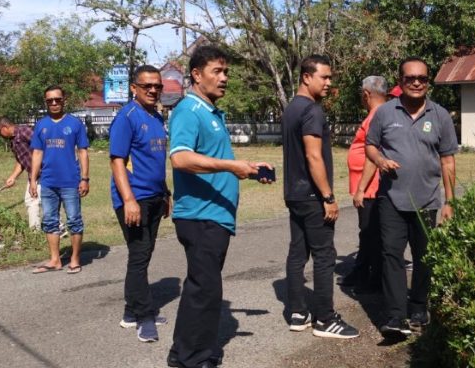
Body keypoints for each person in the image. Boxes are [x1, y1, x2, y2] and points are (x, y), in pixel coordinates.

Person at [167, 45, 273, 368]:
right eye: (217, 71)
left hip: (214, 215)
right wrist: (230, 166)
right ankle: (194, 357)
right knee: (205, 288)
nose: (224, 78)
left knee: (202, 286)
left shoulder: (211, 112)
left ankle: (183, 352)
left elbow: (215, 160)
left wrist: (248, 168)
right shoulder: (189, 109)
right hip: (200, 215)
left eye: (226, 71)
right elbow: (180, 158)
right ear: (196, 75)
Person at [366, 57, 457, 337]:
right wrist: (380, 161)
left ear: (428, 82)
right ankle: (395, 316)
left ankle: (418, 306)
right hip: (391, 199)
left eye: (422, 78)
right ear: (400, 81)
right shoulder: (385, 113)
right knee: (391, 256)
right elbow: (370, 146)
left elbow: (447, 160)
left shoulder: (440, 115)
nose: (416, 83)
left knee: (424, 257)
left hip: (426, 201)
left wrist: (450, 201)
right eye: (410, 78)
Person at [282, 54, 359, 339]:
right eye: (324, 77)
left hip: (294, 194)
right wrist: (328, 197)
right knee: (325, 255)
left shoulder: (291, 108)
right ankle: (325, 319)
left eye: (330, 77)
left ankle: (298, 312)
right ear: (306, 77)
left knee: (298, 252)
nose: (328, 83)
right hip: (312, 196)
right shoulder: (311, 110)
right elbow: (313, 157)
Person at [109, 65, 172, 343]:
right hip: (134, 199)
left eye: (157, 86)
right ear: (134, 88)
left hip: (155, 197)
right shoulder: (127, 117)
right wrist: (129, 200)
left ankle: (130, 312)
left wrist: (166, 193)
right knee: (139, 255)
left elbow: (156, 162)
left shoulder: (156, 117)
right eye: (147, 85)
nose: (153, 90)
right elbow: (117, 162)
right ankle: (144, 317)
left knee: (143, 256)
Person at [30, 85, 90, 274]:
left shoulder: (75, 123)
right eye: (50, 100)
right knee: (49, 220)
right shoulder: (41, 125)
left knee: (74, 220)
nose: (54, 103)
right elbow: (37, 153)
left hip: (71, 182)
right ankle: (55, 260)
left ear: (64, 100)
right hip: (48, 182)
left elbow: (83, 151)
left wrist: (85, 178)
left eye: (58, 99)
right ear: (46, 102)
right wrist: (33, 180)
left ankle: (75, 259)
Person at [340, 76, 388, 293]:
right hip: (368, 185)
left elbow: (373, 153)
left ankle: (371, 279)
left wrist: (361, 189)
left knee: (370, 232)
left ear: (366, 94)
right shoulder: (378, 114)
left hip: (370, 186)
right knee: (369, 232)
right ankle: (362, 273)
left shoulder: (376, 116)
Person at [0, 117, 41, 229]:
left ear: (4, 127)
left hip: (44, 172)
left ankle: (52, 228)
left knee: (40, 200)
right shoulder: (13, 141)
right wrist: (13, 177)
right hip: (33, 175)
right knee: (32, 200)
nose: (0, 135)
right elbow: (21, 161)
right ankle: (35, 230)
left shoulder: (24, 131)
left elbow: (42, 147)